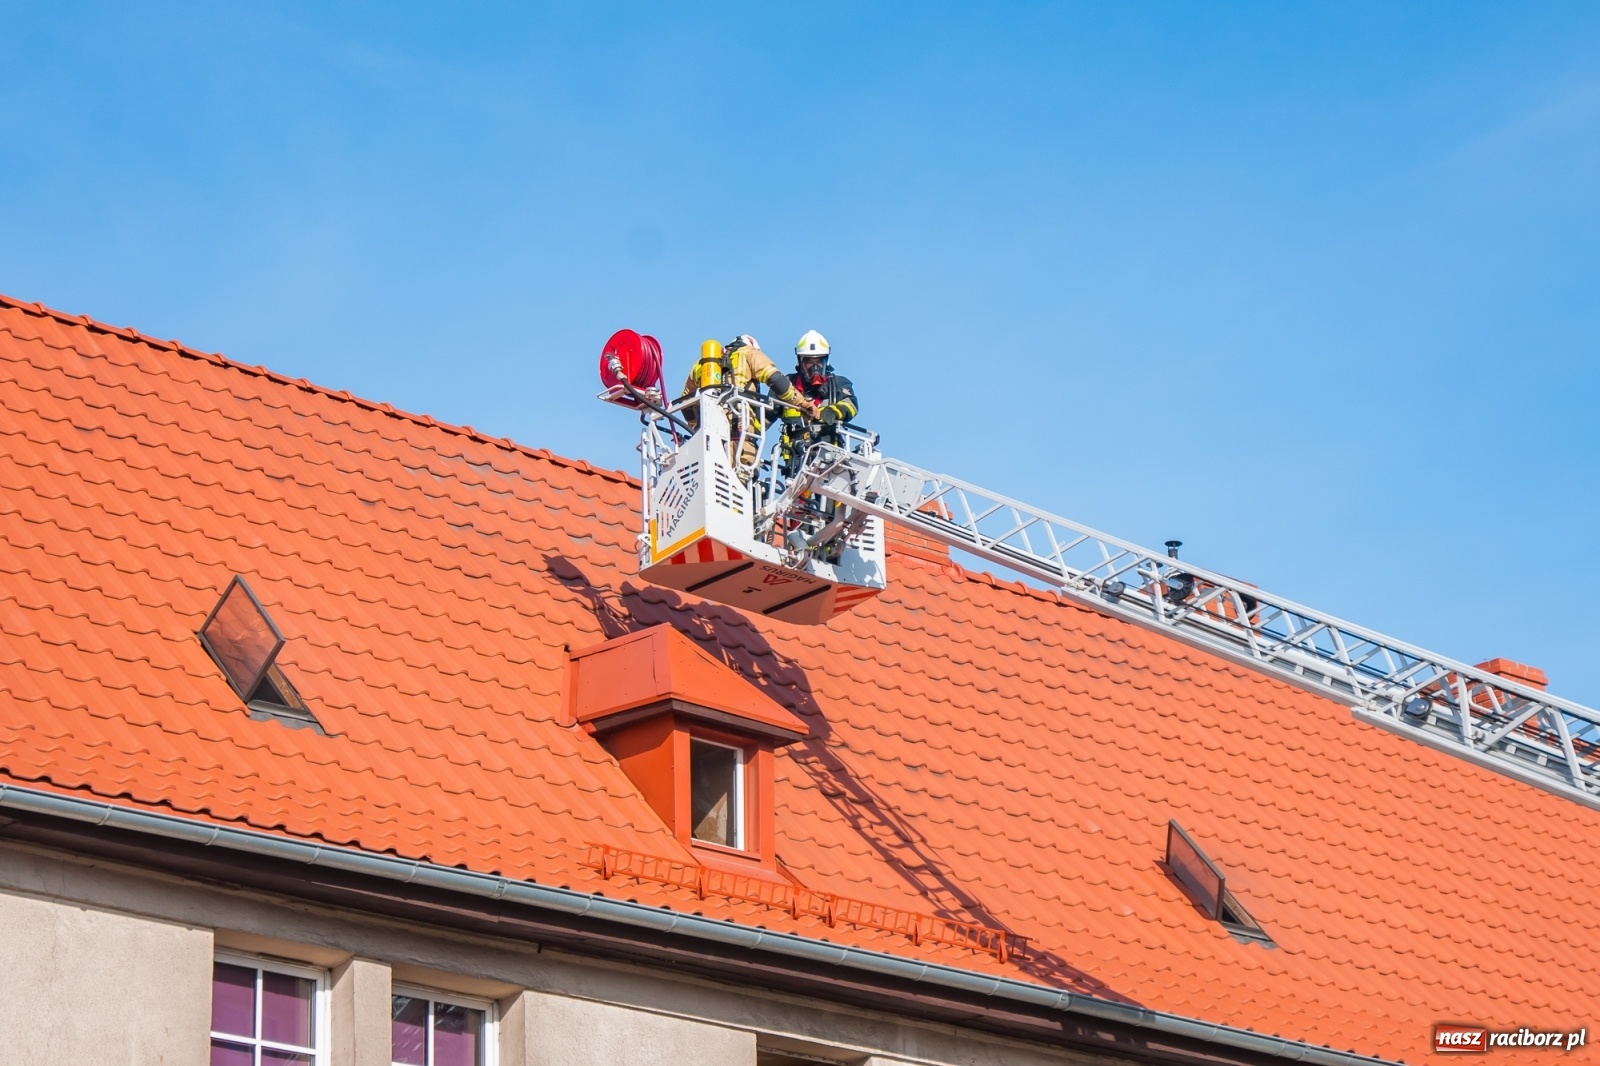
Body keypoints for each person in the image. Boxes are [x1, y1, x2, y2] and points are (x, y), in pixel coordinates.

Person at [681, 335, 814, 475]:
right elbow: (775, 379)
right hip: (741, 430)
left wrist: (695, 426)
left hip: (708, 436)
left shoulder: (701, 365)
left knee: (711, 475)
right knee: (743, 477)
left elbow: (685, 402)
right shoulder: (749, 353)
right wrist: (802, 403)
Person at [780, 330, 859, 476]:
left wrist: (832, 412)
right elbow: (764, 415)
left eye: (818, 361)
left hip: (830, 460)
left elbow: (852, 405)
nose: (815, 367)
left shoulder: (838, 384)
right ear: (800, 362)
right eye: (810, 361)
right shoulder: (787, 386)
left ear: (826, 361)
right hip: (796, 461)